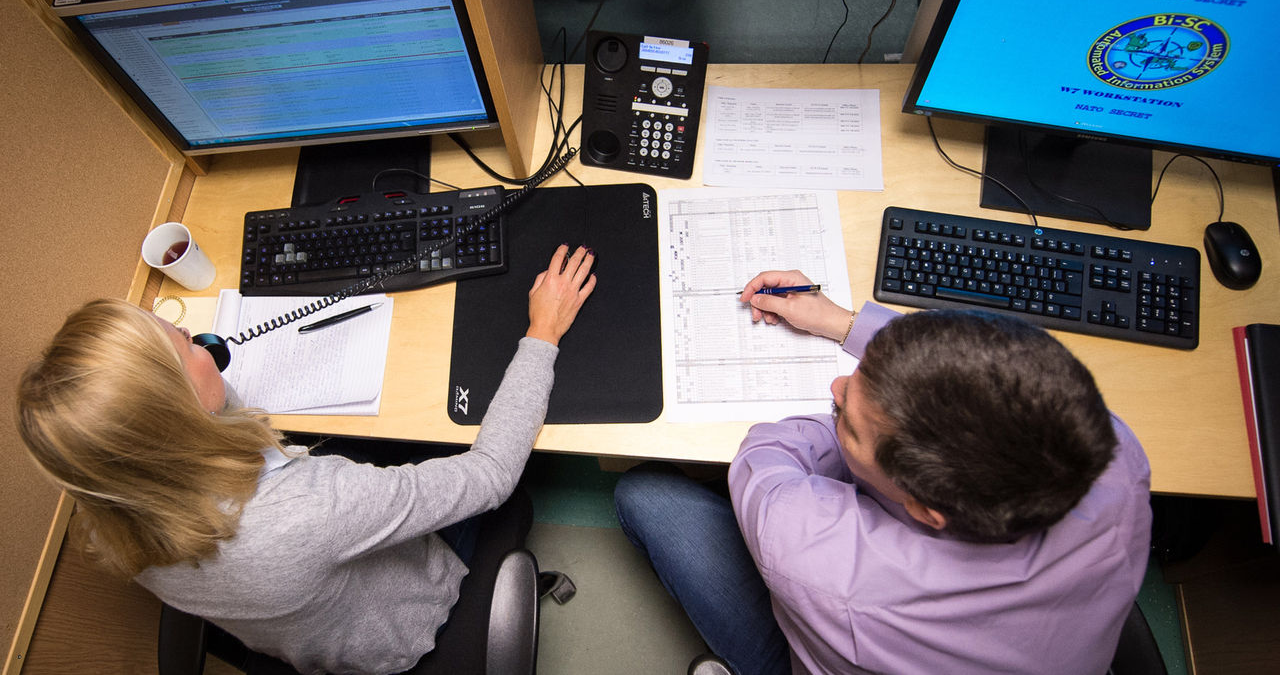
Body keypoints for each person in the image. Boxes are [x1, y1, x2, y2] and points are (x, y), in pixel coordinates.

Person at [17, 245, 597, 675]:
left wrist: (198, 377)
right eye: (187, 345)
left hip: (309, 634)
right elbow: (490, 475)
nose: (196, 336)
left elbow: (224, 429)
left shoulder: (112, 510)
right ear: (177, 418)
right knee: (508, 487)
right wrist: (543, 331)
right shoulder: (311, 511)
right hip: (408, 629)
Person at [616, 269, 1152, 675]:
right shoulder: (1114, 454)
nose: (837, 387)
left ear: (925, 509)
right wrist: (843, 323)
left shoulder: (824, 560)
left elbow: (767, 457)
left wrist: (852, 417)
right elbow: (977, 371)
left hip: (846, 628)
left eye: (848, 416)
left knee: (645, 494)